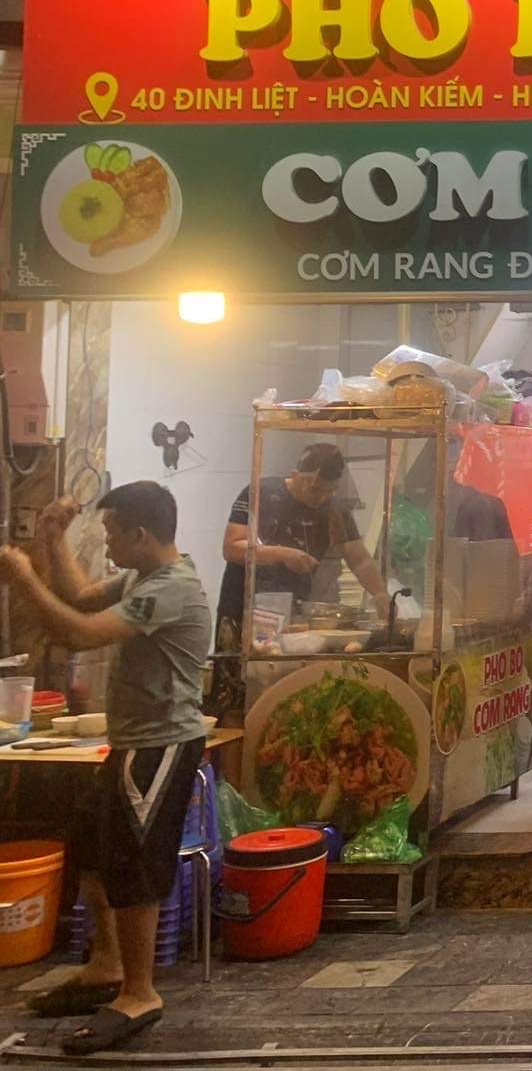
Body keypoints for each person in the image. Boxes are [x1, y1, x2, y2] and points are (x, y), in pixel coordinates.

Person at [4, 487, 209, 1054]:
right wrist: (52, 540)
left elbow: (78, 632)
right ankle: (106, 965)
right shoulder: (143, 576)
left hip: (160, 744)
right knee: (94, 852)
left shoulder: (171, 587)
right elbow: (83, 599)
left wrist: (23, 577)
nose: (109, 542)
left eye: (113, 532)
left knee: (134, 868)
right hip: (129, 742)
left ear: (141, 535)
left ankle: (139, 993)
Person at [218, 442, 388, 645]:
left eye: (330, 491)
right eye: (315, 490)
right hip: (246, 609)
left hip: (298, 614)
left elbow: (359, 559)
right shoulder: (260, 493)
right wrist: (283, 555)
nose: (322, 497)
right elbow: (232, 548)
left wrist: (380, 594)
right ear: (295, 475)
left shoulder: (335, 509)